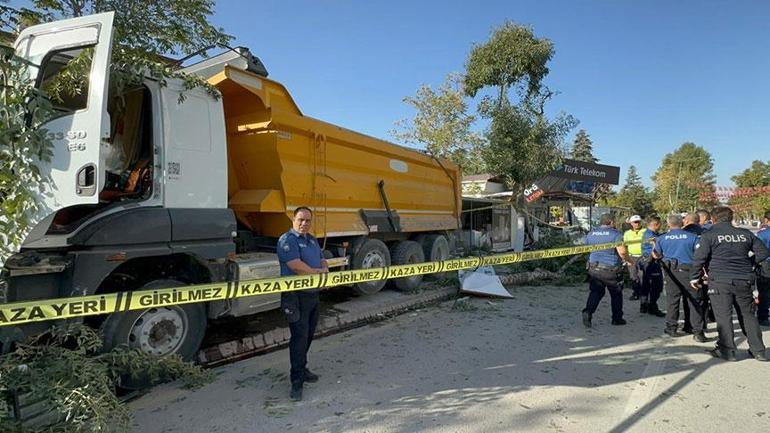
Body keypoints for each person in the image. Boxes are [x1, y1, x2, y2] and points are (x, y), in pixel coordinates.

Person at [690, 206, 770, 361]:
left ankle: (727, 351)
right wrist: (748, 262)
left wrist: (694, 277)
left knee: (724, 316)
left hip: (720, 280)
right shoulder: (745, 234)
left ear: (713, 219)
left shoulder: (709, 235)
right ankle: (758, 350)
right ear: (731, 217)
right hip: (744, 279)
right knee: (748, 315)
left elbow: (699, 258)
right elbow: (764, 252)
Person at [277, 206, 329, 400]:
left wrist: (325, 271)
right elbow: (296, 266)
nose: (304, 223)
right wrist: (318, 273)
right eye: (301, 219)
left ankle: (302, 368)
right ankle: (296, 381)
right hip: (295, 296)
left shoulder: (312, 240)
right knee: (299, 338)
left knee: (308, 335)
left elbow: (323, 260)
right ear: (293, 220)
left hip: (312, 295)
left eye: (308, 220)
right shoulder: (287, 240)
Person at [654, 215, 706, 341]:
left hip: (671, 271)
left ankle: (671, 328)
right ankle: (698, 332)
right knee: (694, 301)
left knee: (673, 300)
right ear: (682, 223)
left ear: (668, 224)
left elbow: (656, 255)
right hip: (690, 271)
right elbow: (700, 255)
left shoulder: (661, 238)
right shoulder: (693, 237)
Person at [582, 213, 634, 328]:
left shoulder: (591, 233)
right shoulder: (616, 234)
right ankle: (617, 318)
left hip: (594, 268)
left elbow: (585, 248)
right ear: (611, 222)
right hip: (611, 270)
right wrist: (629, 261)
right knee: (616, 294)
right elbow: (622, 252)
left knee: (596, 292)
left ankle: (588, 312)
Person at [639, 217, 665, 316]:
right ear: (656, 224)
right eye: (660, 224)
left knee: (646, 284)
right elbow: (655, 252)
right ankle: (652, 307)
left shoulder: (648, 233)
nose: (660, 226)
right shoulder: (651, 236)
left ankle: (644, 305)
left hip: (646, 261)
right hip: (652, 262)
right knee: (656, 285)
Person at [623, 215, 646, 301]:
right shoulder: (627, 233)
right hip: (631, 257)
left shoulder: (645, 231)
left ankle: (643, 293)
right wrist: (626, 258)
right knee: (633, 276)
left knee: (642, 276)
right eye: (635, 222)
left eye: (639, 222)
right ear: (631, 223)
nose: (637, 224)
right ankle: (636, 293)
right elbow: (624, 246)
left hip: (643, 257)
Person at [757, 210, 770, 327]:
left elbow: (757, 250)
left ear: (766, 220)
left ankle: (763, 317)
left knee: (764, 291)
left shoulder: (762, 234)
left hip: (766, 264)